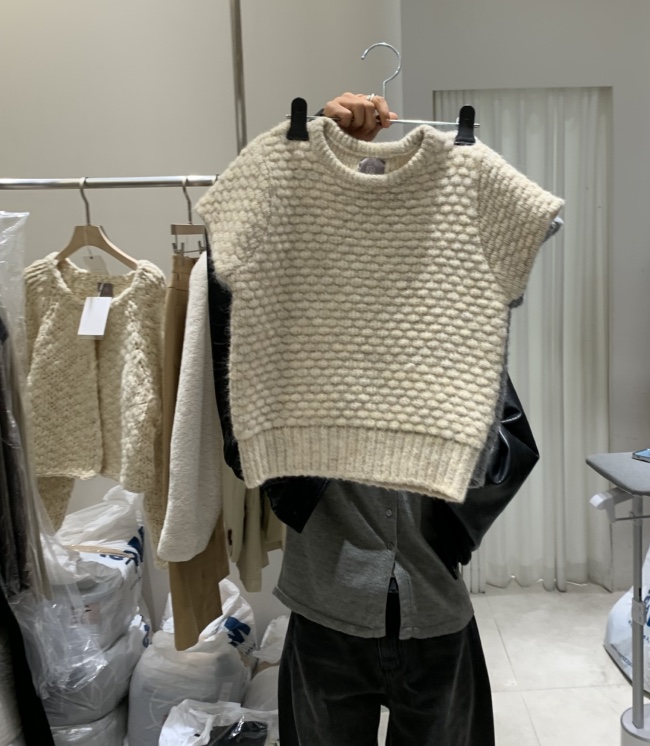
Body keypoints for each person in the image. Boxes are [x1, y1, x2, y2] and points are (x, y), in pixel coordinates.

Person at [208, 93, 540, 746]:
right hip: (325, 604)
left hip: (434, 604)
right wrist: (309, 137)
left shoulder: (450, 289)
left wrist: (453, 530)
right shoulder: (294, 296)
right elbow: (232, 260)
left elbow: (510, 440)